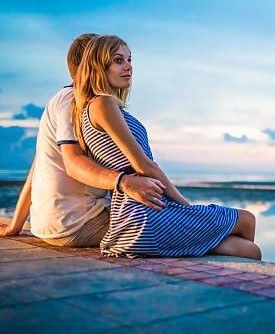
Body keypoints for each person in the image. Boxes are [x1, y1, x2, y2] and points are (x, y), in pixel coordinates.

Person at [72, 35, 261, 259]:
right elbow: (144, 165)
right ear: (98, 66)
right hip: (143, 215)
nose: (128, 67)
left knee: (250, 251)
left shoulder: (92, 108)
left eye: (130, 60)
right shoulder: (103, 103)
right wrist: (186, 206)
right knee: (246, 219)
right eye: (118, 60)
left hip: (133, 223)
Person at [0, 34, 166, 247]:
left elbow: (37, 169)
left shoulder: (68, 100)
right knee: (177, 226)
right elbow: (73, 162)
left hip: (52, 223)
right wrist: (125, 182)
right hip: (79, 221)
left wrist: (15, 225)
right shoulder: (71, 99)